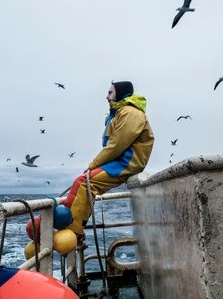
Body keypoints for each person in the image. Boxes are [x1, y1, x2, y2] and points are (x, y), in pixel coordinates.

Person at [63, 81, 154, 235]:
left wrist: (92, 165)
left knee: (84, 182)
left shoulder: (131, 113)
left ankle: (70, 230)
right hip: (120, 160)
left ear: (121, 93)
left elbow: (116, 145)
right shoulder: (120, 113)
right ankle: (74, 226)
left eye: (110, 92)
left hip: (127, 162)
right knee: (83, 181)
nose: (107, 96)